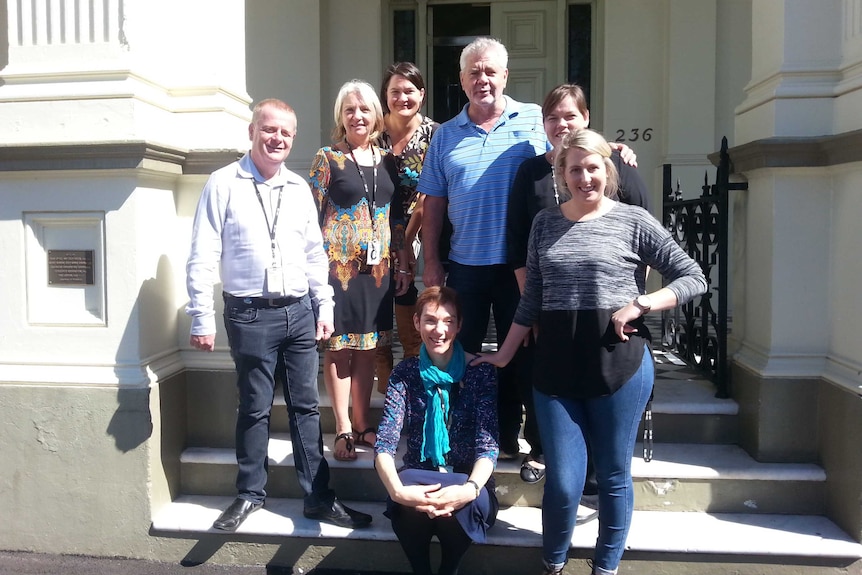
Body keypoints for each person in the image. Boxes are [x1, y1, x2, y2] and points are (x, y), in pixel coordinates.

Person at [475, 129, 707, 575]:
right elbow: (532, 299)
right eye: (575, 168)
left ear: (608, 170)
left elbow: (692, 276)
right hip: (555, 366)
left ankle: (605, 567)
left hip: (618, 365)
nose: (585, 178)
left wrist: (642, 303)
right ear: (561, 173)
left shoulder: (633, 221)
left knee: (614, 475)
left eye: (593, 167)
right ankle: (554, 564)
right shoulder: (545, 223)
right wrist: (504, 355)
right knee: (563, 482)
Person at [186, 98, 372, 531]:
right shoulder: (223, 183)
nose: (278, 139)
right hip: (249, 314)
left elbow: (313, 254)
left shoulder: (298, 188)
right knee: (254, 407)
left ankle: (318, 498)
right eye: (270, 130)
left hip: (298, 313)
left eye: (286, 133)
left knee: (306, 407)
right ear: (252, 131)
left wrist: (323, 305)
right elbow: (202, 255)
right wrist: (201, 317)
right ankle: (250, 494)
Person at [507, 83, 648, 508]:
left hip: (607, 307)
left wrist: (633, 300)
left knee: (598, 384)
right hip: (550, 305)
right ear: (543, 124)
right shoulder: (530, 172)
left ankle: (593, 470)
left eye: (570, 115)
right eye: (553, 117)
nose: (561, 124)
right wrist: (532, 307)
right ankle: (544, 450)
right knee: (549, 381)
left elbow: (643, 236)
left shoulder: (616, 165)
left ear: (585, 117)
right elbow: (517, 244)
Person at [418, 37, 548, 457]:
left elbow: (573, 149)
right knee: (463, 356)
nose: (482, 79)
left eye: (490, 71)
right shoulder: (444, 135)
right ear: (461, 79)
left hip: (520, 269)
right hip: (465, 268)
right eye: (474, 72)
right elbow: (433, 205)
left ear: (505, 76)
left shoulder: (533, 120)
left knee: (524, 357)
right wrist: (433, 262)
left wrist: (615, 150)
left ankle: (528, 443)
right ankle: (466, 439)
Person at [375, 286, 499, 575]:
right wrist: (397, 492)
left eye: (448, 321)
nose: (439, 330)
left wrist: (468, 489)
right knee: (406, 493)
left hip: (469, 480)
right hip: (420, 478)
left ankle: (448, 570)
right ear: (416, 322)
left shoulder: (480, 371)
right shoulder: (405, 374)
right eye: (430, 320)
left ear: (459, 325)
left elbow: (488, 445)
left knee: (463, 504)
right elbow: (385, 443)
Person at [309, 80, 401, 461]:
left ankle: (364, 425)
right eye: (350, 110)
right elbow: (309, 217)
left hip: (377, 272)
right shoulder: (327, 158)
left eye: (364, 109)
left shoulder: (388, 160)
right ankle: (343, 427)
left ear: (376, 115)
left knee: (369, 348)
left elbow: (396, 216)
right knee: (339, 349)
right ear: (340, 116)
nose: (357, 116)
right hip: (337, 270)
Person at [374, 62, 440, 394]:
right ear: (385, 96)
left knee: (409, 293)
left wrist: (407, 245)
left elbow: (430, 193)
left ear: (422, 94)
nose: (402, 98)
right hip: (373, 229)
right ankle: (385, 378)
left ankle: (414, 370)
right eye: (395, 91)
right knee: (376, 299)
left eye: (409, 91)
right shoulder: (372, 131)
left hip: (419, 226)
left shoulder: (435, 134)